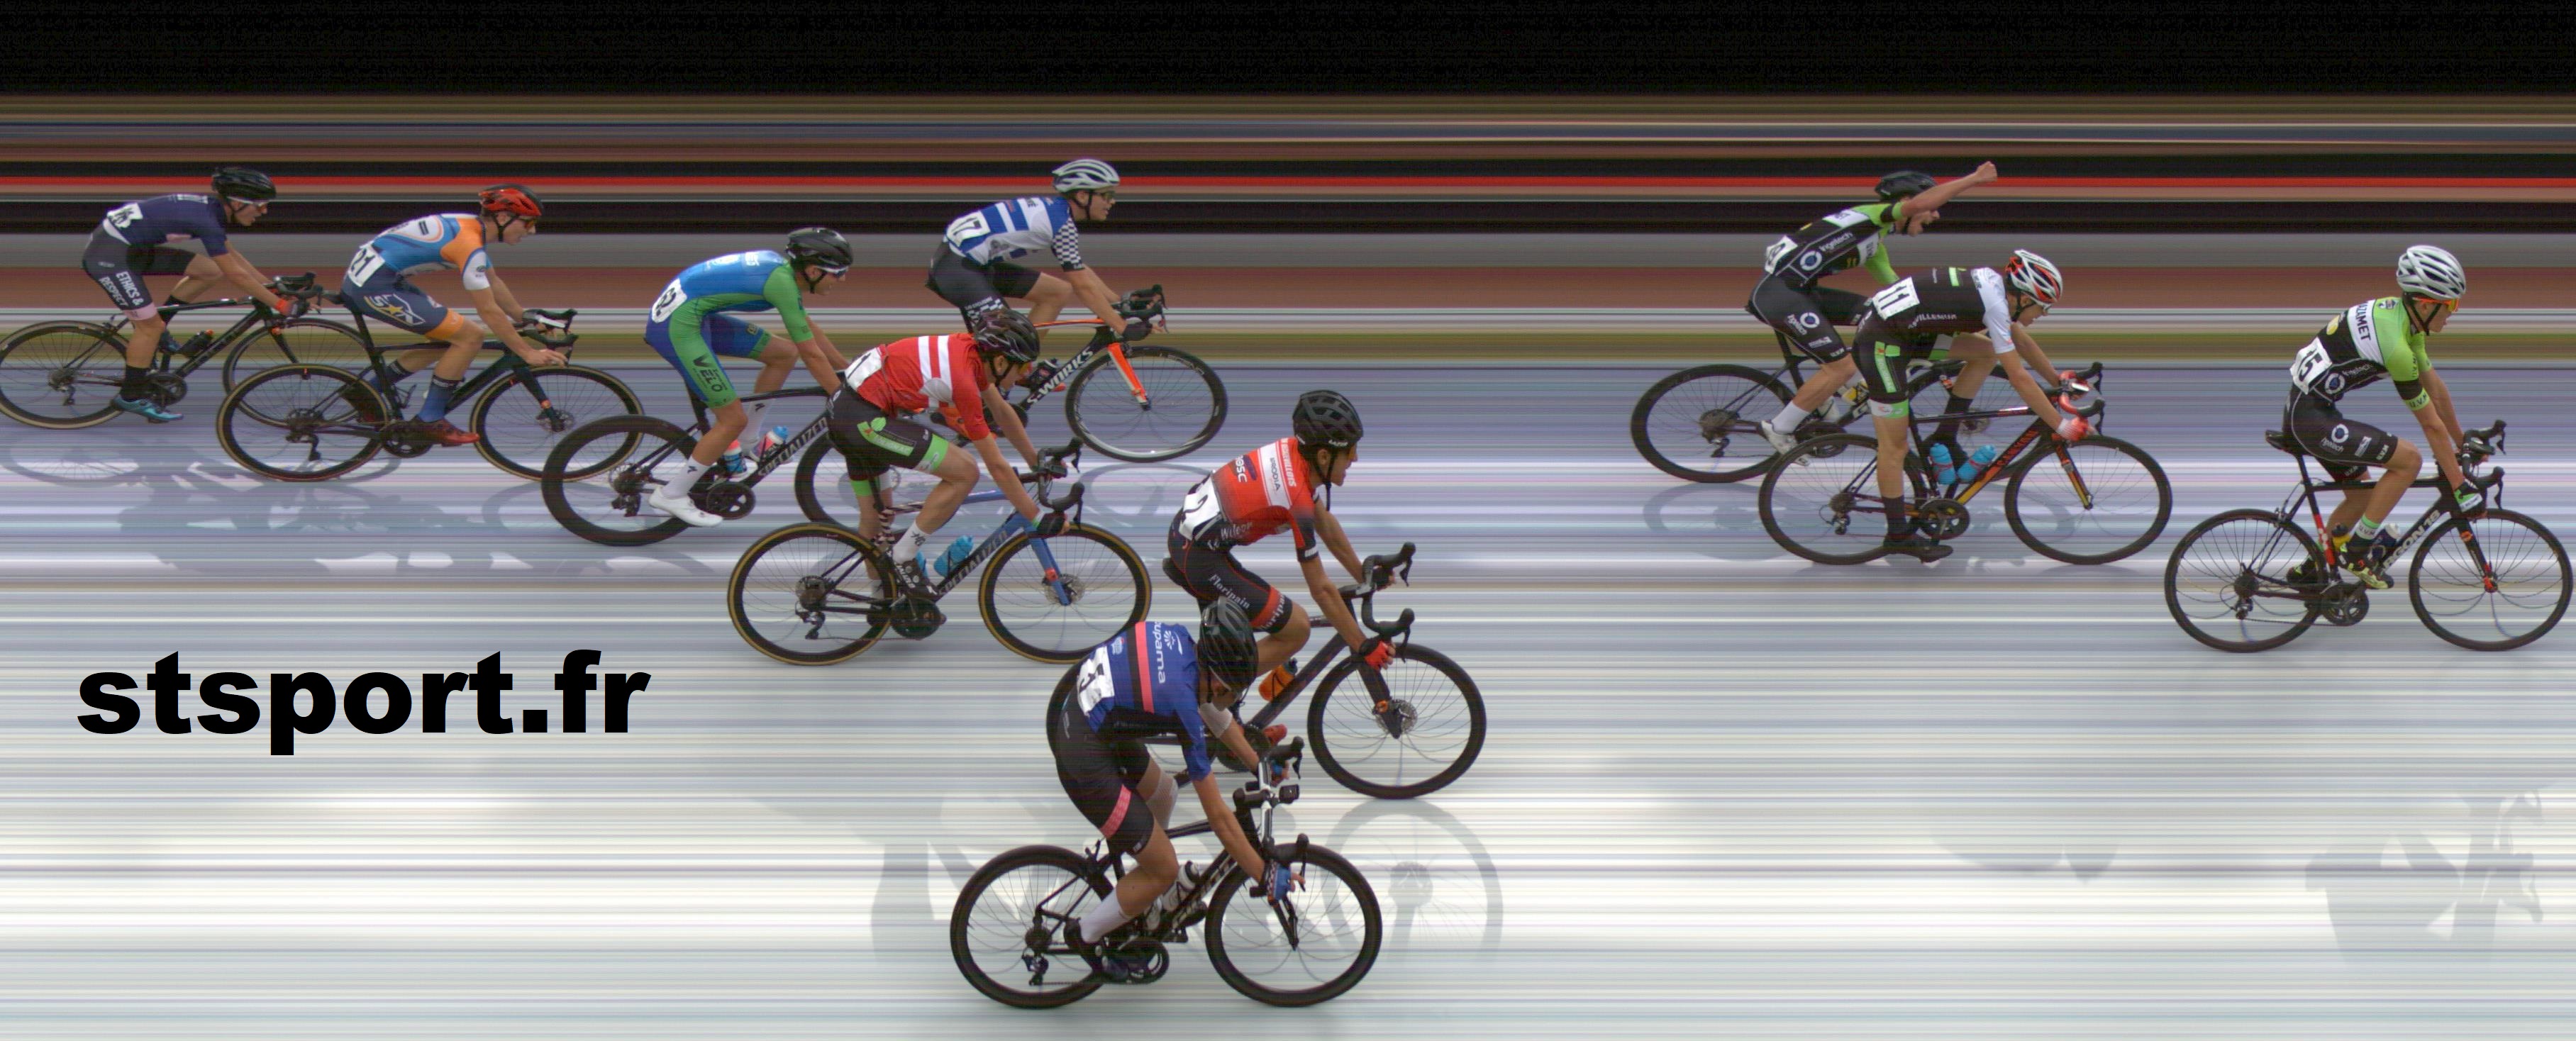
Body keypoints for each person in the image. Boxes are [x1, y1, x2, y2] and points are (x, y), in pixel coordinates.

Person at [1050, 601, 1291, 981]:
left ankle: (1140, 889)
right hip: (1087, 756)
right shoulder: (1182, 703)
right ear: (1220, 683)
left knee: (1164, 794)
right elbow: (1220, 820)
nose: (1235, 699)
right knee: (1164, 869)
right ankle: (1085, 935)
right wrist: (1262, 873)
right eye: (1235, 692)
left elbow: (1213, 712)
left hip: (1088, 719)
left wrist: (1258, 763)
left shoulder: (1182, 642)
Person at [1167, 390, 1393, 720]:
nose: (1355, 459)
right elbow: (1322, 590)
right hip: (1200, 558)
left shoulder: (1295, 453)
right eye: (1350, 451)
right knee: (1296, 628)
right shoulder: (1294, 494)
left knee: (1262, 626)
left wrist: (1363, 574)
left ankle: (1225, 711)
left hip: (1192, 539)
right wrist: (1362, 644)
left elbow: (1326, 525)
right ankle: (1204, 699)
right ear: (1324, 457)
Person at [1845, 252, 2086, 561]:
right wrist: (2061, 425)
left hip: (1902, 331)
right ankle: (1897, 536)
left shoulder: (1993, 288)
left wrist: (2057, 379)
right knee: (1894, 448)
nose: (2044, 314)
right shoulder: (1996, 305)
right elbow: (2019, 377)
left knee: (1986, 353)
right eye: (2044, 307)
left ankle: (1945, 436)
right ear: (2025, 299)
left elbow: (2021, 342)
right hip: (1882, 345)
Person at [789, 311, 1053, 587]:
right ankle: (904, 554)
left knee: (875, 519)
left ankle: (881, 597)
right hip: (865, 418)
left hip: (848, 411)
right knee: (965, 471)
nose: (1026, 374)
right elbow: (996, 466)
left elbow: (1001, 410)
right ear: (1000, 362)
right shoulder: (964, 379)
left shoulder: (971, 352)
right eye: (1024, 367)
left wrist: (1036, 461)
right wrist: (1036, 517)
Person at [1752, 164, 1999, 456]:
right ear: (1906, 202)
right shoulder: (1871, 215)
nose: (1935, 215)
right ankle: (1780, 428)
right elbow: (1917, 205)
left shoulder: (1873, 240)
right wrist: (1974, 179)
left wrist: (1949, 319)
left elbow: (1898, 294)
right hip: (1779, 295)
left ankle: (1836, 392)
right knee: (1842, 367)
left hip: (1797, 292)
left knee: (1879, 315)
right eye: (1932, 207)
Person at [2281, 245, 2480, 589]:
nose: (2454, 313)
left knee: (2362, 496)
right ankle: (2357, 550)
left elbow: (2435, 390)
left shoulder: (2404, 320)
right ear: (2425, 305)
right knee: (2409, 460)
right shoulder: (2397, 348)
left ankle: (2313, 571)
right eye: (2451, 305)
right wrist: (2460, 486)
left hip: (2310, 411)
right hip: (2311, 419)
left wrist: (2462, 441)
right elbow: (2430, 425)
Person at [639, 228, 857, 526]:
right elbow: (812, 355)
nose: (842, 280)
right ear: (813, 271)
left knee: (784, 353)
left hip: (692, 314)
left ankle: (745, 443)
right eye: (838, 273)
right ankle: (672, 494)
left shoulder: (782, 273)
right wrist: (843, 399)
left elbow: (807, 329)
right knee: (732, 419)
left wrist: (846, 368)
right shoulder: (781, 283)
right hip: (678, 325)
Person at [340, 184, 566, 446]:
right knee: (470, 337)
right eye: (528, 223)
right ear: (503, 217)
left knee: (448, 337)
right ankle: (430, 419)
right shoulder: (469, 245)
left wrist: (524, 316)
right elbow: (488, 309)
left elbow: (492, 281)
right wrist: (527, 352)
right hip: (374, 287)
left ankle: (366, 393)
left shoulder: (470, 226)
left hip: (379, 278)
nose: (532, 231)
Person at [81, 167, 301, 422]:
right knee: (149, 328)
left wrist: (270, 287)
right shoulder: (206, 221)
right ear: (237, 203)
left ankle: (162, 327)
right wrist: (280, 304)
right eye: (260, 205)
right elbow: (236, 275)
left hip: (127, 247)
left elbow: (233, 259)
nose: (264, 212)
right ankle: (130, 397)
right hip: (109, 257)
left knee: (209, 271)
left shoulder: (212, 211)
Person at [926, 159, 1146, 347]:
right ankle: (1000, 374)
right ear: (1082, 196)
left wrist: (1117, 302)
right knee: (1005, 345)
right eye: (1106, 195)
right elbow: (1083, 286)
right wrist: (1121, 326)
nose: (1112, 201)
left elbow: (1079, 269)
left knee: (1057, 292)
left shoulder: (1055, 212)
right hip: (958, 270)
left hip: (964, 263)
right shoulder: (1061, 224)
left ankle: (1023, 365)